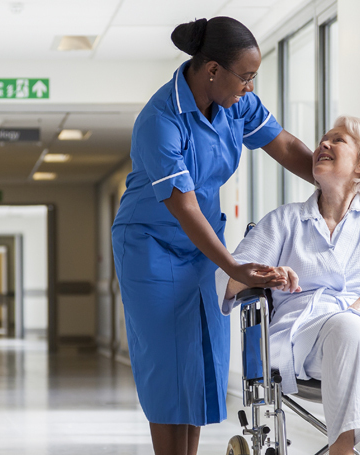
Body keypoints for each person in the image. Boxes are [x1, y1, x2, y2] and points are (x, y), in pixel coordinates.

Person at [111, 16, 315, 455]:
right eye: (245, 76)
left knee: (201, 360)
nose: (250, 87)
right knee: (167, 365)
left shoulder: (235, 104)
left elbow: (285, 146)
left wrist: (332, 180)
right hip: (150, 245)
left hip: (205, 247)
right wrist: (234, 265)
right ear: (211, 71)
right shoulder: (160, 120)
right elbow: (183, 207)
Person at [218, 116, 360, 454]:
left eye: (338, 140)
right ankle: (342, 448)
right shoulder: (284, 220)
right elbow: (227, 277)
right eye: (323, 139)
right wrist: (261, 275)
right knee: (349, 325)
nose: (323, 144)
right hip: (303, 336)